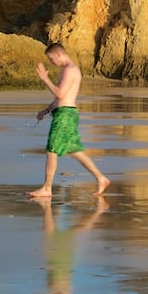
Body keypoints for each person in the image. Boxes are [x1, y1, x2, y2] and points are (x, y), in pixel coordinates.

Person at [28, 43, 110, 197]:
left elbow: (60, 94)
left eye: (52, 59)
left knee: (51, 149)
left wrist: (45, 79)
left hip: (65, 115)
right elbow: (61, 98)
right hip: (66, 112)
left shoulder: (70, 70)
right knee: (74, 150)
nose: (52, 63)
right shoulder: (69, 70)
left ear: (59, 54)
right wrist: (46, 110)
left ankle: (47, 188)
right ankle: (101, 178)